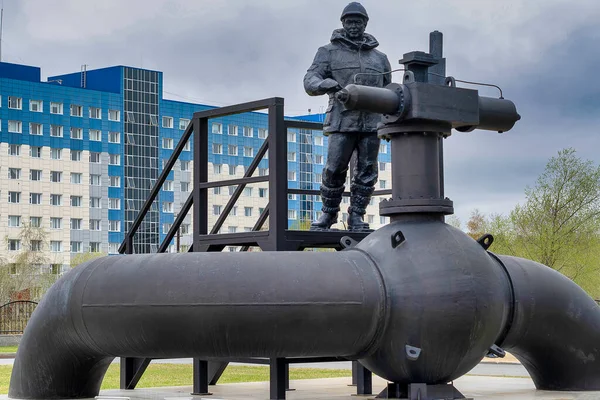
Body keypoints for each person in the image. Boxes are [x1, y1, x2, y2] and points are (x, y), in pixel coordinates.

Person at [304, 2, 391, 231]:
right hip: (342, 120)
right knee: (334, 168)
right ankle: (329, 215)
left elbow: (390, 89)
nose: (354, 26)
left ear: (365, 24)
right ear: (343, 23)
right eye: (350, 21)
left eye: (358, 22)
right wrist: (324, 83)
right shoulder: (328, 52)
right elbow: (310, 80)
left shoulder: (379, 58)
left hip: (372, 123)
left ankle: (357, 216)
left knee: (368, 170)